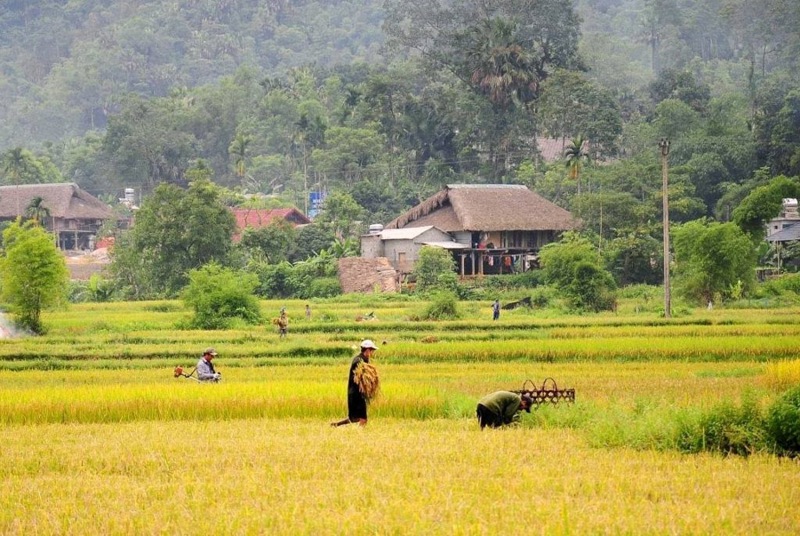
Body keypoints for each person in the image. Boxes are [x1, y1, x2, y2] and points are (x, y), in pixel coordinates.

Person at [331, 339, 379, 427]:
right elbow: (363, 377)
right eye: (372, 350)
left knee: (354, 418)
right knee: (363, 418)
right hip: (357, 393)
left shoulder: (362, 359)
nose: (372, 353)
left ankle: (336, 425)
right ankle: (361, 436)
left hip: (356, 392)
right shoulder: (359, 361)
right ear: (368, 350)